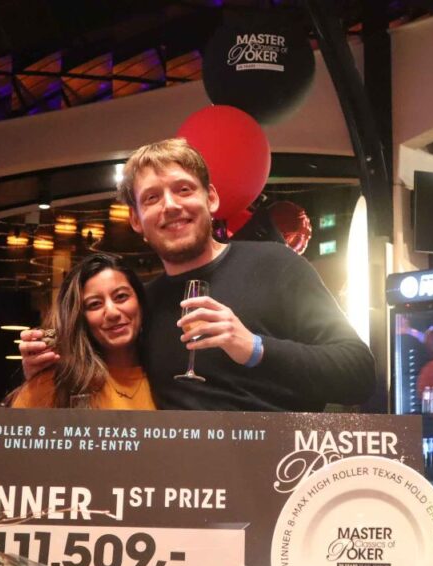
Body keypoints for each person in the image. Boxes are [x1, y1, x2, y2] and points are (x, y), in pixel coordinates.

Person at [20, 138, 375, 411]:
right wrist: (43, 370)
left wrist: (253, 348)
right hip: (183, 480)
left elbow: (358, 375)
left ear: (211, 199)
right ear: (136, 220)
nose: (171, 205)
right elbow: (107, 380)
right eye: (152, 198)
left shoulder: (275, 265)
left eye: (184, 189)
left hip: (282, 475)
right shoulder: (144, 303)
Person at [10, 253, 155, 410]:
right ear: (80, 317)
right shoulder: (55, 384)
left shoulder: (165, 377)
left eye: (121, 296)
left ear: (139, 301)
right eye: (94, 304)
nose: (112, 313)